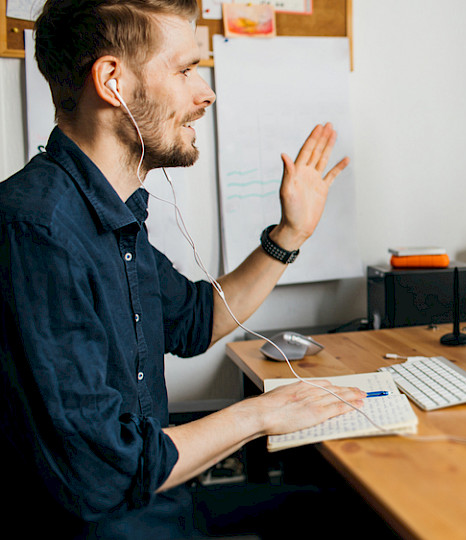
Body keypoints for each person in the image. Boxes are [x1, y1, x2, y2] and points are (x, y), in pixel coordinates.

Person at [0, 1, 365, 537]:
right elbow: (101, 473)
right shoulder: (37, 231)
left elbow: (196, 320)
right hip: (108, 524)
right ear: (112, 81)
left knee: (335, 505)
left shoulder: (106, 212)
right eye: (185, 70)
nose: (206, 93)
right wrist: (260, 415)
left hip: (155, 503)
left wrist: (291, 235)